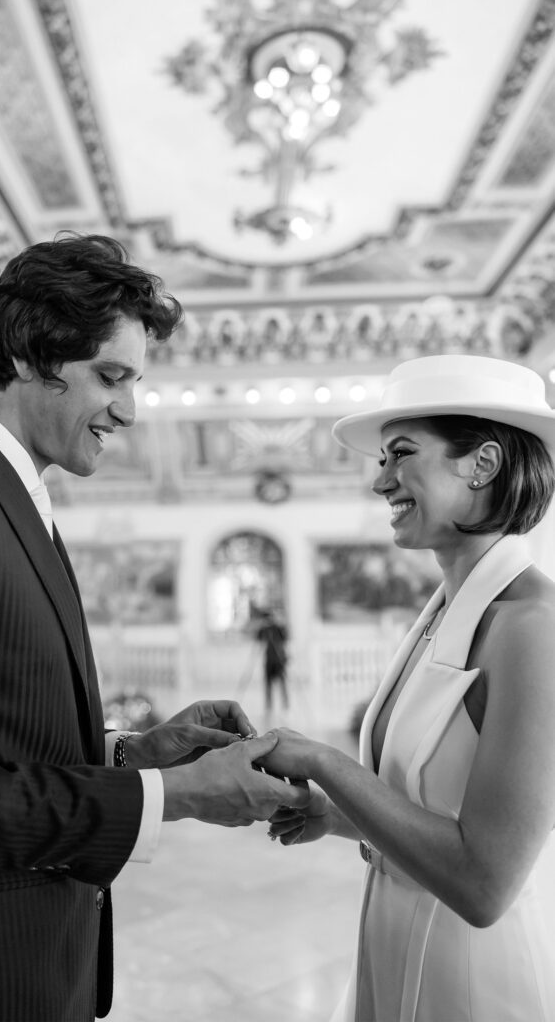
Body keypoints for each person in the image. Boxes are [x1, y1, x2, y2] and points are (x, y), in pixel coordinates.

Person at [0, 234, 308, 1022]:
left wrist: (129, 753)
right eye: (111, 377)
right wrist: (168, 794)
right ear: (34, 354)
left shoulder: (12, 497)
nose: (131, 411)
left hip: (42, 966)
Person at [262, 354, 555, 1021]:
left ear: (481, 464)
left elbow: (484, 882)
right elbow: (436, 807)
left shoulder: (535, 627)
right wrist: (334, 816)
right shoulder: (446, 609)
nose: (380, 480)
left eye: (401, 454)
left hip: (478, 985)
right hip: (395, 960)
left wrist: (323, 763)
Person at [255, 608, 290, 718]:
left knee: (282, 683)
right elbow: (258, 638)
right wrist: (263, 626)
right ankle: (269, 705)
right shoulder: (264, 629)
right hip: (269, 660)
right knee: (268, 684)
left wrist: (277, 624)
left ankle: (285, 704)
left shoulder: (278, 628)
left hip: (279, 660)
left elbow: (285, 637)